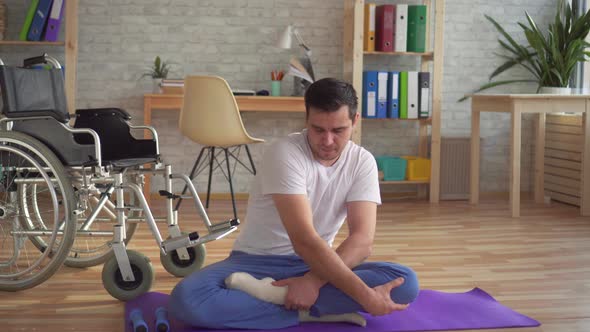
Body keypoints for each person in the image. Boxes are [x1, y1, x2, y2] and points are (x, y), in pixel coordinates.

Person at [169, 78, 419, 329]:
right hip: (255, 261)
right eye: (318, 129)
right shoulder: (285, 153)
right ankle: (305, 310)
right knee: (188, 299)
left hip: (318, 263)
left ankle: (274, 301)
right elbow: (303, 240)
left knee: (404, 281)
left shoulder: (362, 162)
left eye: (338, 130)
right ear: (306, 119)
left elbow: (362, 241)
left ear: (355, 121)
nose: (328, 141)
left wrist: (312, 281)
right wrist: (366, 297)